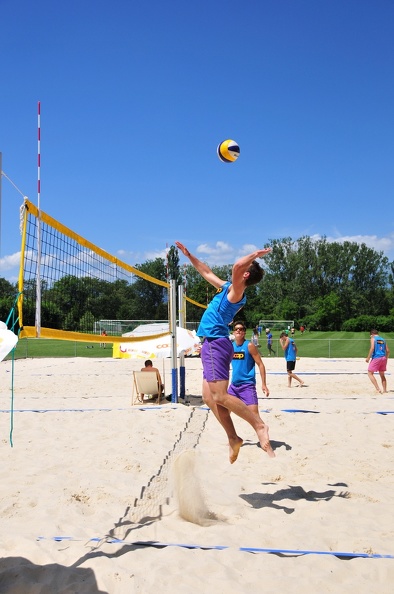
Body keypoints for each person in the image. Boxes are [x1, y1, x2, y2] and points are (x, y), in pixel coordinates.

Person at [175, 240, 275, 462]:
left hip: (216, 343)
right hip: (212, 344)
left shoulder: (237, 291)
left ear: (246, 276)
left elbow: (238, 266)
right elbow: (206, 271)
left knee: (220, 395)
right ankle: (233, 438)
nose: (239, 270)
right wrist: (189, 255)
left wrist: (255, 255)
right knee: (209, 398)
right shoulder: (226, 288)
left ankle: (259, 425)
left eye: (243, 271)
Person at [228, 322, 271, 432]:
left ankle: (263, 432)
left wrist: (264, 384)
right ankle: (233, 438)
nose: (238, 330)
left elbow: (260, 364)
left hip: (247, 385)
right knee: (224, 412)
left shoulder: (249, 345)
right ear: (233, 332)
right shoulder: (231, 346)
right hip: (233, 386)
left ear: (244, 332)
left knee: (254, 414)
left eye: (241, 329)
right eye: (236, 329)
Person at [365, 329, 390, 394]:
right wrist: (386, 358)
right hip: (383, 358)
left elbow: (372, 348)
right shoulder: (383, 339)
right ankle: (384, 390)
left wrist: (368, 358)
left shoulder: (373, 338)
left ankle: (378, 389)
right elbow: (387, 350)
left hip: (376, 357)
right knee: (382, 375)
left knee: (370, 373)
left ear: (372, 334)